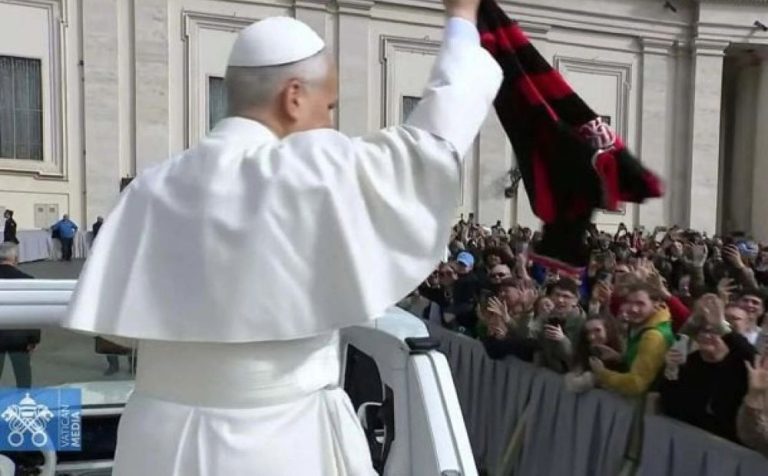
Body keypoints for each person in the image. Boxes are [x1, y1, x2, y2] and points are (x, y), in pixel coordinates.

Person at [62, 3, 502, 475]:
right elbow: (433, 144)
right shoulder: (309, 172)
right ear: (294, 97)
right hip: (276, 439)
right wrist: (461, 20)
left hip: (154, 441)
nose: (329, 121)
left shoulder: (150, 188)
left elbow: (118, 328)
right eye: (328, 106)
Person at [591, 282, 675, 397]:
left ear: (656, 304)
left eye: (640, 304)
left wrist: (602, 373)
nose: (633, 309)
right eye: (629, 302)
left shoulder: (653, 336)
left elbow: (636, 384)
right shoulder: (642, 325)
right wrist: (621, 358)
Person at [0, 243, 39, 388]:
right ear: (16, 258)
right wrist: (34, 339)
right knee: (23, 376)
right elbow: (33, 313)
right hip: (19, 337)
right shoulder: (28, 280)